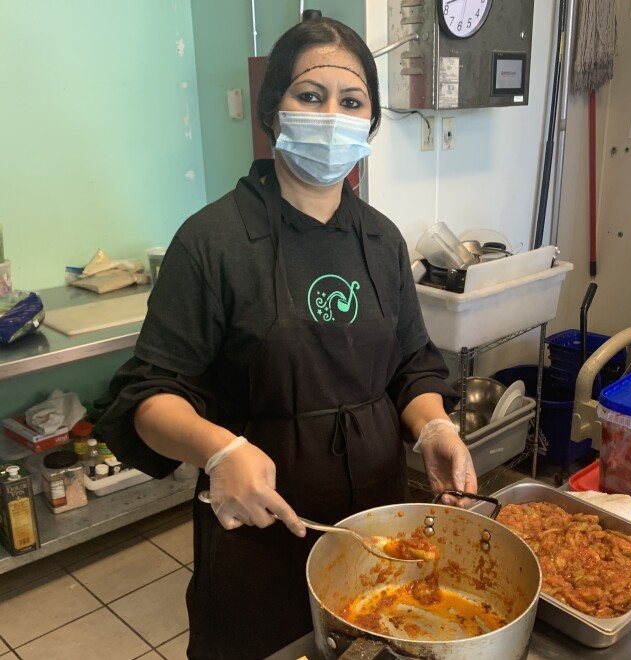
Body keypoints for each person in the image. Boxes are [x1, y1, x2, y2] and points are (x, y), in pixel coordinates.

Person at [98, 16, 477, 660]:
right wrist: (219, 450)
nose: (331, 116)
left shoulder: (382, 240)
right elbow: (147, 397)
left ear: (370, 123)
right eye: (310, 96)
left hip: (377, 529)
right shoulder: (212, 242)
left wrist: (435, 427)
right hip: (260, 538)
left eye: (351, 102)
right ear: (274, 110)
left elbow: (411, 365)